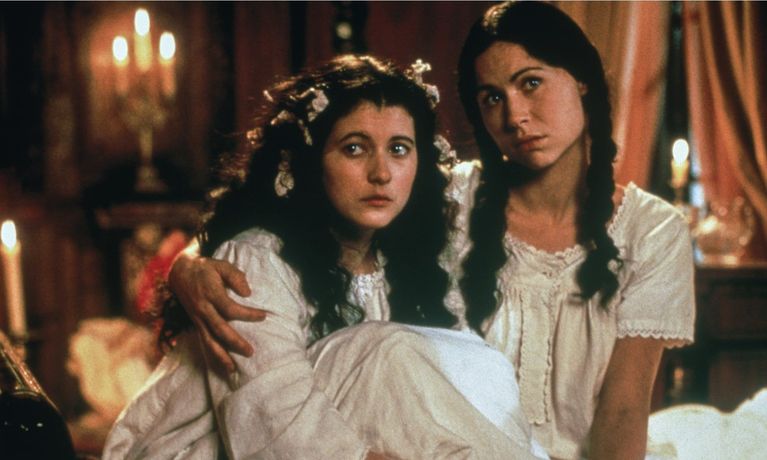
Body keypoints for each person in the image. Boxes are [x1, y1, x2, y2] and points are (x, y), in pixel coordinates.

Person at [170, 2, 697, 459]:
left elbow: (625, 408)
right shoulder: (449, 197)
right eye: (492, 98)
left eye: (530, 83)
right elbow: (273, 231)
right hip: (428, 446)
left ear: (580, 78)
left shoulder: (652, 231)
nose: (515, 115)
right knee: (388, 350)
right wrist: (186, 268)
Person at [102, 54, 546, 460]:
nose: (381, 173)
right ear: (309, 161)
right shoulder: (256, 260)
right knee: (388, 352)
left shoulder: (415, 258)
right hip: (208, 452)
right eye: (354, 148)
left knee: (463, 362)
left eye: (398, 149)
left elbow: (464, 393)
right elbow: (275, 423)